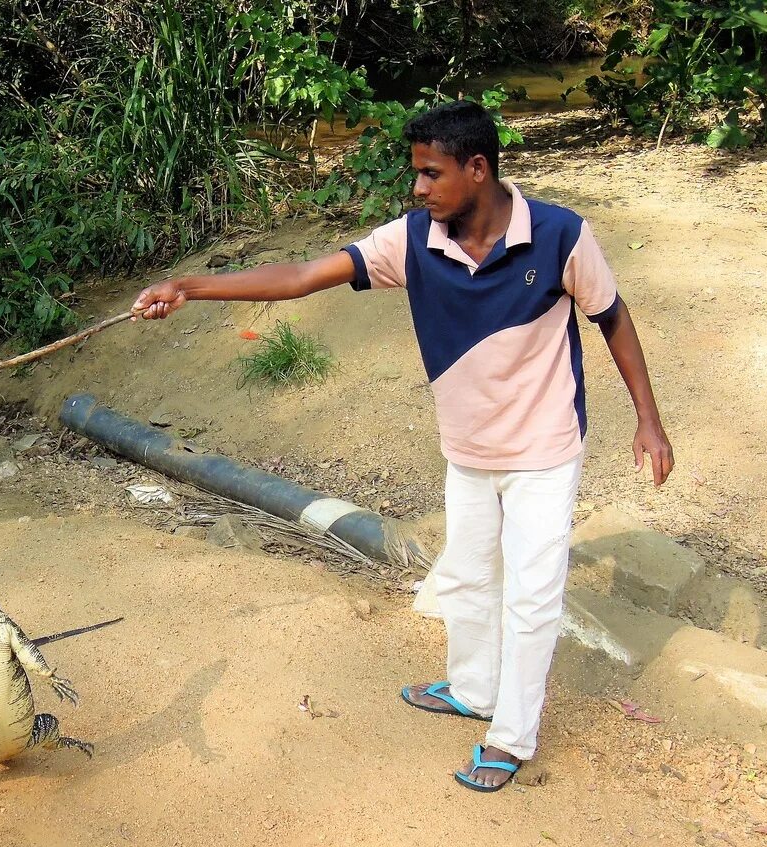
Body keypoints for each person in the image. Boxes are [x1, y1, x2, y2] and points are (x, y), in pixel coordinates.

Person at [129, 100, 673, 793]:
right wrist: (188, 287)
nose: (417, 187)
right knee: (470, 577)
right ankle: (474, 690)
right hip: (468, 450)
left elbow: (613, 319)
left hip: (544, 450)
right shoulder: (415, 241)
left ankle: (510, 738)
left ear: (477, 169)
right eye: (416, 173)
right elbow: (301, 277)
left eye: (430, 173)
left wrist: (647, 421)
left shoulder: (563, 236)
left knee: (533, 599)